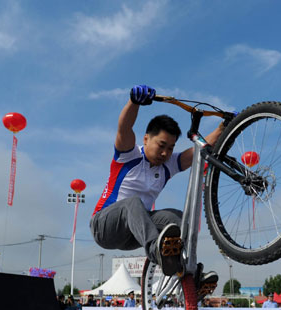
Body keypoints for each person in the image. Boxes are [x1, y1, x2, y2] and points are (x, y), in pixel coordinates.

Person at [90, 84, 222, 296]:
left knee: (180, 219)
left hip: (134, 234)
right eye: (161, 145)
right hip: (105, 226)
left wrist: (225, 127)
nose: (165, 153)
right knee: (133, 202)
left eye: (170, 148)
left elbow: (201, 148)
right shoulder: (129, 156)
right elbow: (124, 128)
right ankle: (157, 252)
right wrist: (134, 102)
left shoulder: (168, 166)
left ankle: (192, 276)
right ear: (146, 139)